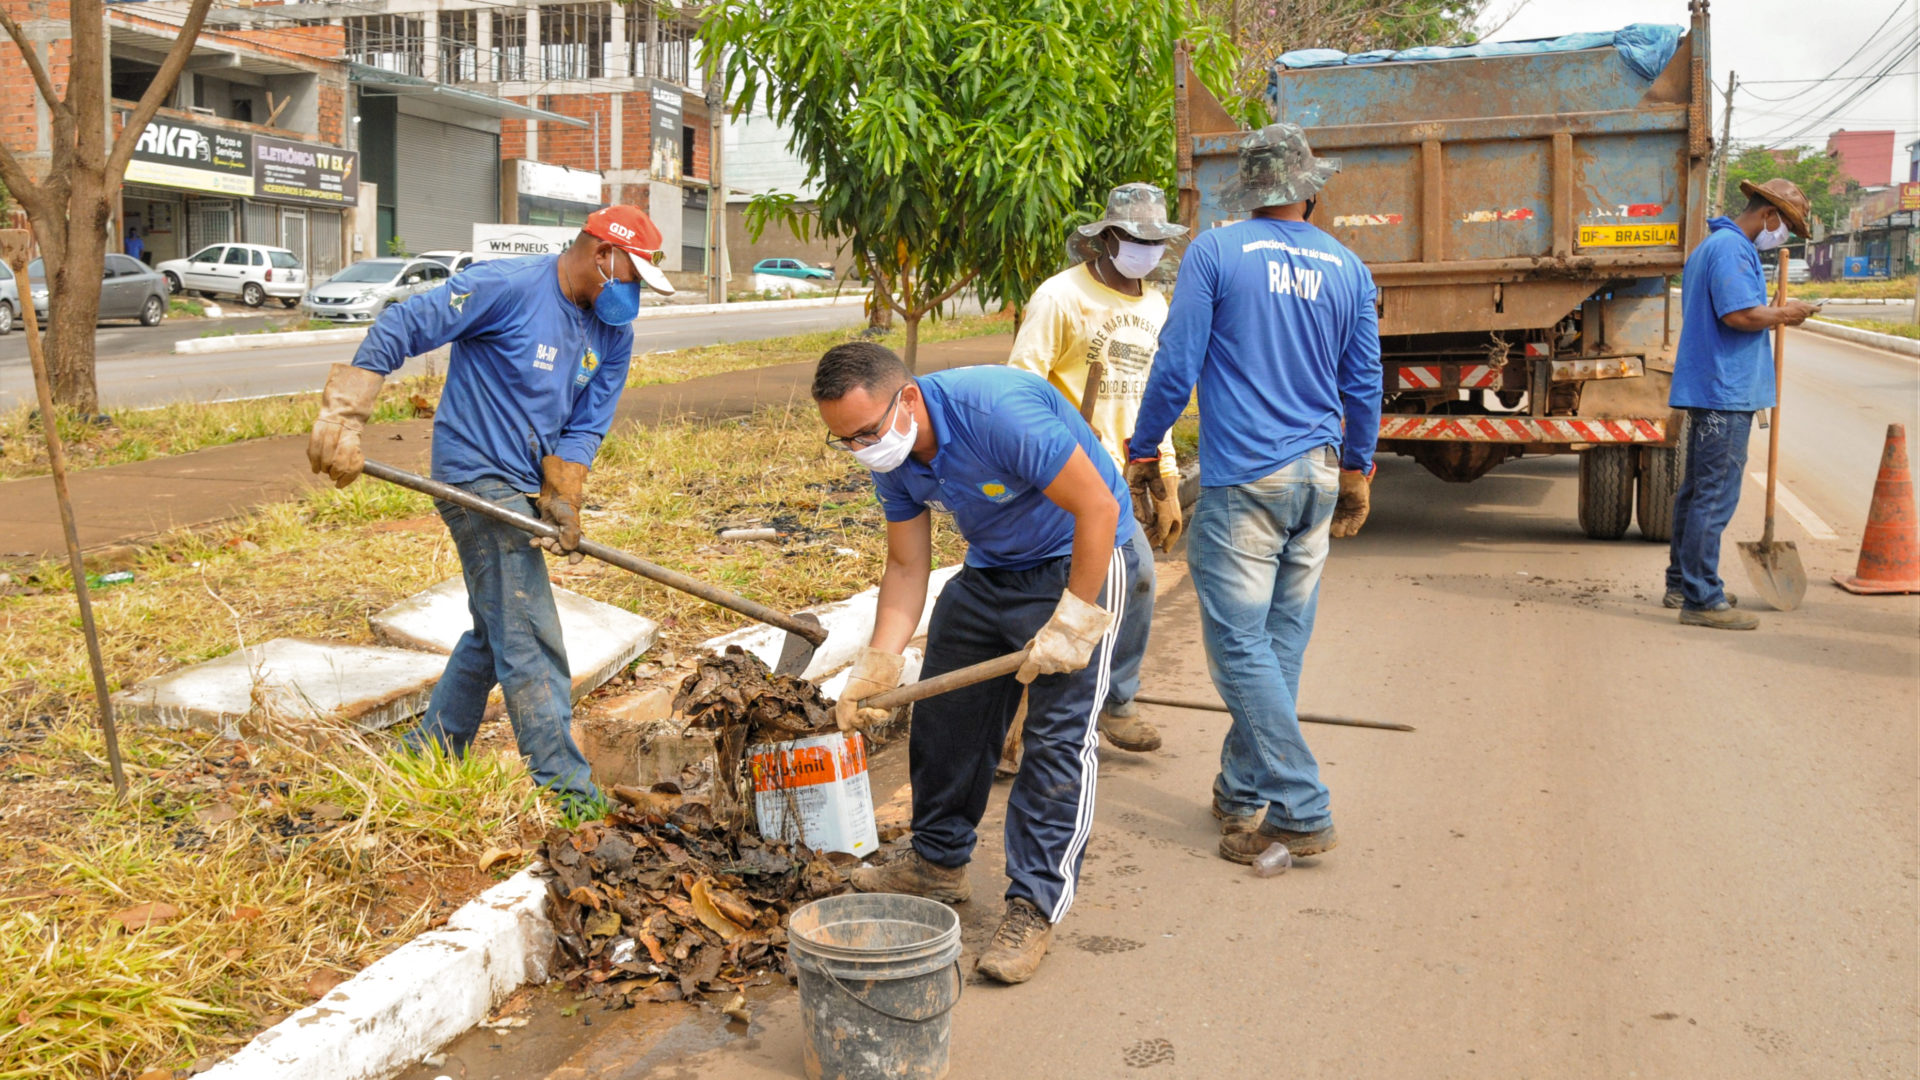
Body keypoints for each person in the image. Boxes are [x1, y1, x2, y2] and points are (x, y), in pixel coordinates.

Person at [304, 206, 674, 811]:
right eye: (632, 277)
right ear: (603, 255)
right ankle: (569, 793)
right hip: (474, 477)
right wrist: (344, 414)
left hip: (525, 485)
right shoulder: (507, 287)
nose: (633, 295)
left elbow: (586, 425)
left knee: (495, 624)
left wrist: (564, 494)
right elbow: (405, 323)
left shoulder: (614, 332)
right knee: (528, 631)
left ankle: (430, 748)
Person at [817, 342, 1142, 985]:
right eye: (845, 441)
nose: (861, 449)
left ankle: (1035, 904)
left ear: (907, 398)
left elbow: (1098, 508)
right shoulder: (893, 451)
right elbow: (908, 564)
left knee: (1055, 740)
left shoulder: (995, 412)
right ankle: (937, 862)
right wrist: (879, 662)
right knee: (945, 715)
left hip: (1085, 560)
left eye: (866, 433)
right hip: (992, 571)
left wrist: (1074, 618)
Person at [1126, 122, 1381, 866]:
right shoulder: (1347, 266)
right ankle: (1241, 794)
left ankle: (1300, 806)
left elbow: (1177, 361)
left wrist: (1146, 446)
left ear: (1251, 189)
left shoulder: (1216, 251)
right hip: (1318, 475)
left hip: (1248, 480)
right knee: (1276, 646)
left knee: (1240, 647)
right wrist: (1359, 469)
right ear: (1309, 190)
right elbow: (1364, 381)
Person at [1005, 182, 1187, 759]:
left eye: (1155, 240)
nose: (1146, 249)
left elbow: (1154, 400)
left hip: (1134, 468)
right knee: (1132, 579)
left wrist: (1169, 479)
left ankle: (1087, 703)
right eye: (1135, 238)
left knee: (1115, 587)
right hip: (1074, 469)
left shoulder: (1158, 306)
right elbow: (1022, 387)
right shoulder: (1061, 298)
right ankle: (1110, 704)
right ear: (1107, 238)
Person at [1663, 178, 1819, 630]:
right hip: (1724, 392)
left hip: (1714, 388)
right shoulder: (1731, 249)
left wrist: (1772, 311)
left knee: (1696, 494)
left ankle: (1682, 583)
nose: (1782, 232)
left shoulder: (1716, 246)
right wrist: (1784, 315)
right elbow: (1739, 317)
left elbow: (1744, 313)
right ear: (1768, 214)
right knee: (1713, 497)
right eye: (1784, 223)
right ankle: (1702, 600)